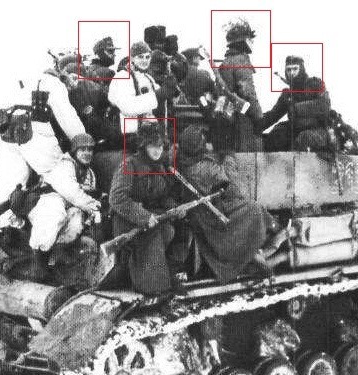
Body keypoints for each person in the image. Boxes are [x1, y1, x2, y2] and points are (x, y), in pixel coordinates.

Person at [0, 50, 101, 277]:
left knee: (9, 189)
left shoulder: (24, 82)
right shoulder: (54, 84)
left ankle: (9, 231)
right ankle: (40, 255)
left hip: (7, 134)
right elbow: (69, 119)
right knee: (57, 176)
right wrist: (82, 142)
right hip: (34, 134)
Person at [177, 125, 271, 282]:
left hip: (200, 214)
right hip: (214, 216)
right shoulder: (207, 168)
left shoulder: (182, 161)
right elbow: (235, 191)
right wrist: (228, 160)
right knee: (254, 209)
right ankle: (251, 254)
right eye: (203, 142)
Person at [108, 122, 183, 296]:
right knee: (154, 233)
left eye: (160, 146)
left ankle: (168, 274)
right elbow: (117, 198)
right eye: (152, 146)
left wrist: (174, 209)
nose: (157, 151)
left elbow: (163, 196)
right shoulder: (129, 165)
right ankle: (153, 287)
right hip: (127, 220)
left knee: (178, 229)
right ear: (143, 146)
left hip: (151, 216)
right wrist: (143, 217)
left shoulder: (160, 167)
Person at [108, 41, 177, 151]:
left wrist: (172, 85)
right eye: (140, 57)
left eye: (147, 57)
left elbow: (162, 101)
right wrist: (159, 94)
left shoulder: (148, 78)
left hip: (150, 136)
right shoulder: (122, 77)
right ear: (132, 58)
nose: (145, 60)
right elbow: (128, 107)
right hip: (130, 140)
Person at [259, 55, 331, 151]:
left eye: (295, 69)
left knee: (304, 138)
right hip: (296, 129)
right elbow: (273, 115)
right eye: (288, 70)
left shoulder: (315, 84)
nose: (291, 73)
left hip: (318, 130)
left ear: (301, 69)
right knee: (276, 135)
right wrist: (254, 123)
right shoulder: (288, 94)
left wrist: (296, 108)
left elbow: (324, 105)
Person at [218, 19, 263, 152]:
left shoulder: (226, 62)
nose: (252, 42)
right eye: (250, 39)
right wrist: (259, 117)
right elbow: (247, 92)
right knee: (246, 155)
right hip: (242, 117)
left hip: (228, 117)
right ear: (244, 41)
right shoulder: (241, 60)